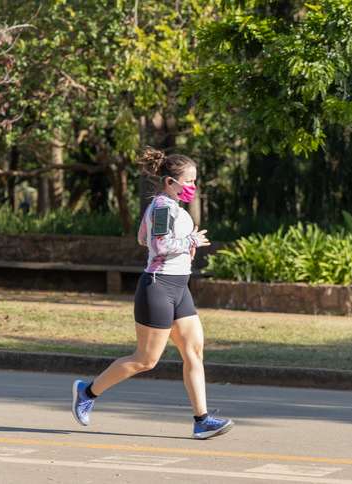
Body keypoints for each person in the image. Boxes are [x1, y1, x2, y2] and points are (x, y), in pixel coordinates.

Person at [71, 147, 233, 440]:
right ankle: (88, 391)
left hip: (179, 287)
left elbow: (143, 238)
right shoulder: (161, 207)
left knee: (194, 351)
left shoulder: (172, 208)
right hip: (158, 287)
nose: (193, 187)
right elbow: (157, 246)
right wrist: (189, 240)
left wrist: (185, 244)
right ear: (170, 182)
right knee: (146, 360)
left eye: (195, 182)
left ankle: (202, 419)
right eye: (188, 182)